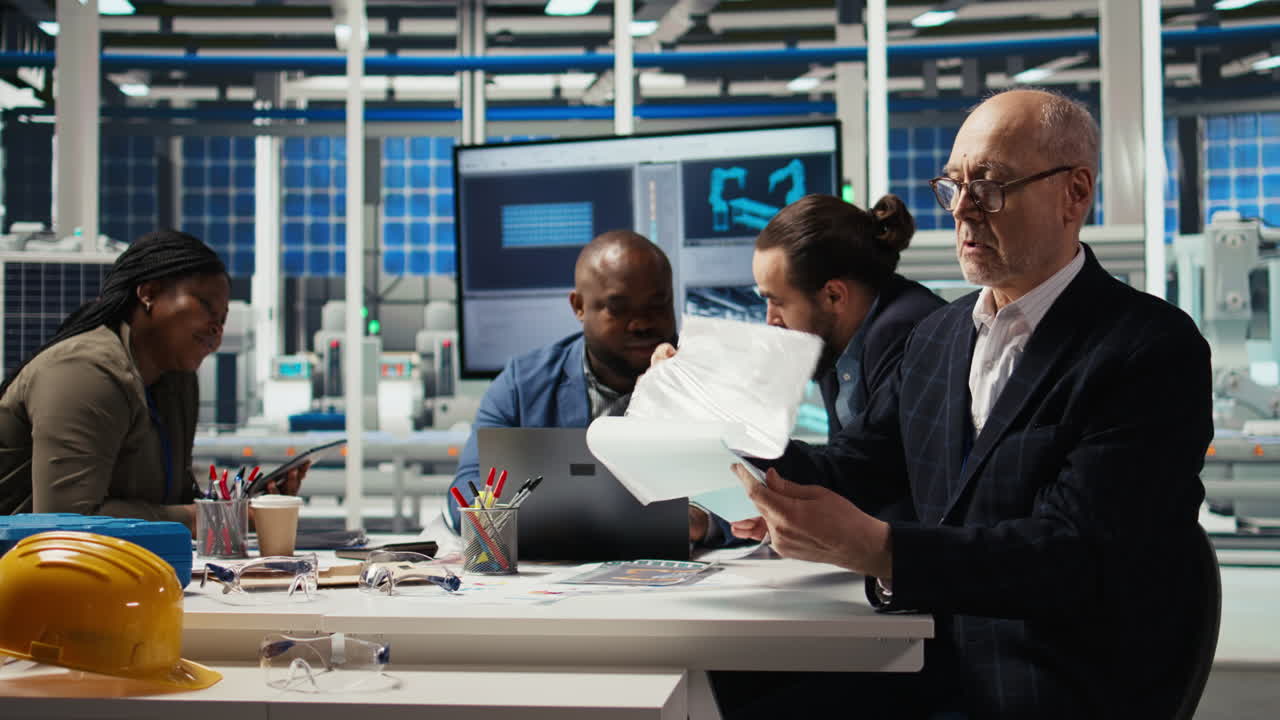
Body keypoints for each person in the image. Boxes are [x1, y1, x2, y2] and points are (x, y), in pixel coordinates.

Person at [718, 88, 1213, 718]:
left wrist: (881, 548)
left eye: (992, 185)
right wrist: (730, 439)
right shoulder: (940, 336)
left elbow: (1072, 555)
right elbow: (866, 461)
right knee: (723, 691)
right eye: (953, 185)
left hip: (1057, 685)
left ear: (1076, 193)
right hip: (935, 658)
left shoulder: (1146, 349)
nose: (963, 210)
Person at [673, 192, 944, 543]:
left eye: (777, 301)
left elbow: (856, 470)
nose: (770, 319)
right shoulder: (838, 338)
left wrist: (720, 416)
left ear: (833, 296)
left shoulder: (908, 334)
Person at [0, 230, 307, 528]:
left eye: (223, 319)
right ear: (148, 294)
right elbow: (68, 522)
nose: (217, 328)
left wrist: (244, 508)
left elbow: (171, 502)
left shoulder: (174, 380)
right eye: (205, 307)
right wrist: (205, 519)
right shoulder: (84, 371)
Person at [445, 230, 679, 533]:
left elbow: (754, 482)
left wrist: (704, 521)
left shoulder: (709, 379)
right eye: (619, 308)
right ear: (579, 306)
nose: (643, 324)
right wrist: (523, 520)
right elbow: (469, 487)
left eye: (658, 305)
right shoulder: (522, 387)